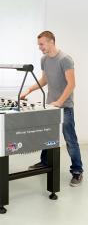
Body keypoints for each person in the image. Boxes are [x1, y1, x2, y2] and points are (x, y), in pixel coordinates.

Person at [20, 31, 83, 187]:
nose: (40, 47)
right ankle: (44, 162)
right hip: (50, 106)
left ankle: (77, 171)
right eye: (39, 44)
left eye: (41, 44)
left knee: (70, 140)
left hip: (65, 107)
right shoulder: (44, 60)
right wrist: (29, 90)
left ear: (51, 42)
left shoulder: (65, 59)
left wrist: (59, 102)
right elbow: (44, 80)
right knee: (46, 135)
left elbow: (71, 84)